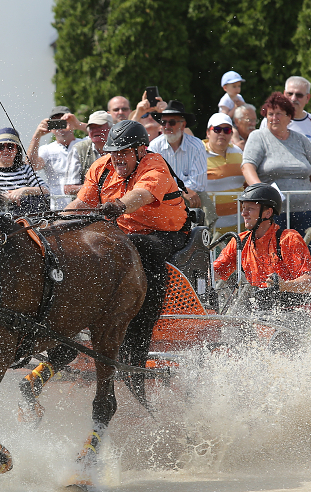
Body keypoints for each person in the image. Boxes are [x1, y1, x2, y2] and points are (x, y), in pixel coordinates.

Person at [64, 120, 189, 399]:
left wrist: (118, 205)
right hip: (123, 235)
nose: (117, 158)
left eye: (124, 152)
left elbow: (141, 195)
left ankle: (140, 321)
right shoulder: (101, 168)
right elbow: (82, 204)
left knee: (138, 246)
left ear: (141, 150)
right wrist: (56, 224)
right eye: (113, 152)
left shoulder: (155, 165)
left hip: (164, 234)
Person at [213, 183, 311, 316]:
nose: (243, 213)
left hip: (298, 309)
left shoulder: (288, 239)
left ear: (268, 212)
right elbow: (214, 273)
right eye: (243, 208)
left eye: (250, 209)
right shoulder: (239, 241)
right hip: (262, 311)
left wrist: (285, 285)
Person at [242, 92, 311, 236]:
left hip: (306, 210)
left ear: (289, 117)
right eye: (270, 114)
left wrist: (299, 185)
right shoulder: (258, 137)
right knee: (276, 254)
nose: (274, 118)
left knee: (309, 254)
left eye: (279, 114)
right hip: (273, 212)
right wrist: (263, 192)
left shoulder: (301, 140)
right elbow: (247, 167)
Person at [148, 100, 212, 225]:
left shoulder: (197, 145)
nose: (167, 126)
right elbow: (154, 180)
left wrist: (183, 192)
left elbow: (199, 183)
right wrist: (181, 191)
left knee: (206, 204)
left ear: (183, 125)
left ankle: (208, 242)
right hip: (164, 195)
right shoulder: (154, 146)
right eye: (163, 122)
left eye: (171, 122)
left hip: (191, 194)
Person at [0, 129, 49, 215]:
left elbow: (45, 190)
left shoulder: (25, 169)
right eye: (1, 147)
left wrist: (23, 190)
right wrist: (1, 196)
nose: (6, 150)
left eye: (10, 146)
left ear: (17, 149)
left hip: (22, 220)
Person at [204, 114, 244, 234]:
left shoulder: (238, 152)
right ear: (208, 133)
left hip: (240, 228)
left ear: (231, 134)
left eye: (226, 130)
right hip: (211, 230)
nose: (222, 133)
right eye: (217, 129)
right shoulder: (198, 152)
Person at [27, 106, 78, 198]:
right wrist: (36, 136)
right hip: (57, 206)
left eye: (63, 121)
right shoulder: (47, 149)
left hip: (84, 206)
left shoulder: (85, 143)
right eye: (55, 122)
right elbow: (31, 166)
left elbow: (104, 134)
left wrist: (79, 125)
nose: (60, 126)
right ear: (50, 126)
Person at [265, 76, 311, 156]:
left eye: (299, 95)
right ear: (284, 94)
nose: (293, 98)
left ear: (307, 97)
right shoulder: (271, 120)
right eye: (290, 94)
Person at [64, 111, 113, 195]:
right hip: (87, 205)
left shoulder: (122, 148)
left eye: (100, 126)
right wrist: (98, 187)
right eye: (91, 128)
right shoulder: (79, 149)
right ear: (89, 133)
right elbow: (69, 188)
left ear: (111, 129)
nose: (95, 130)